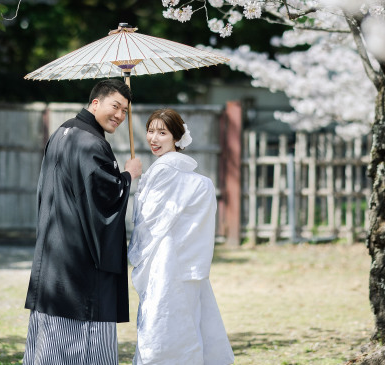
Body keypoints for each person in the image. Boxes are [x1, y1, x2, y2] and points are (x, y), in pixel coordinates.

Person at [23, 79, 143, 365]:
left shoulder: (64, 131)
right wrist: (128, 175)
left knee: (49, 334)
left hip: (53, 248)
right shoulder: (92, 143)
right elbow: (104, 200)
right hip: (80, 257)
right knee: (79, 340)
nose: (119, 116)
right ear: (95, 103)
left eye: (125, 111)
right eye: (115, 106)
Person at [128, 108, 235, 365]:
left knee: (161, 320)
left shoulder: (165, 172)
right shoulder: (192, 178)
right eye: (150, 131)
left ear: (176, 137)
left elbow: (149, 219)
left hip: (165, 262)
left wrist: (134, 184)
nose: (154, 138)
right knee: (186, 320)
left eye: (162, 132)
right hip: (186, 262)